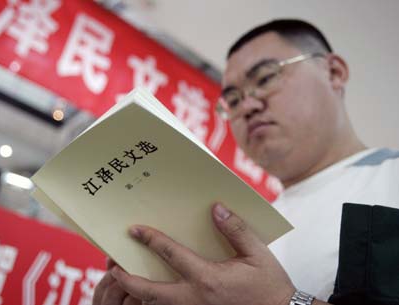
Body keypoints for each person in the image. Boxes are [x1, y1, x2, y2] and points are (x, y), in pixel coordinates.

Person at [93, 19, 399, 305]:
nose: (249, 106)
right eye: (234, 100)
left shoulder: (390, 177)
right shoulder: (233, 232)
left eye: (265, 78)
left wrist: (282, 300)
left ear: (334, 72)